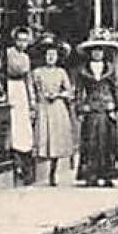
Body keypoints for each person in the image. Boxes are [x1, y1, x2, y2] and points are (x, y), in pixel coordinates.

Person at [73, 36, 118, 186]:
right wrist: (80, 108)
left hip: (107, 109)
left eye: (100, 51)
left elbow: (117, 88)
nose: (97, 54)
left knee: (108, 142)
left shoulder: (110, 68)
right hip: (91, 109)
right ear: (90, 53)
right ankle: (91, 176)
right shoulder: (83, 70)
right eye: (94, 51)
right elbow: (79, 91)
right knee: (91, 143)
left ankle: (108, 176)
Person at [31, 39, 76, 186]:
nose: (50, 57)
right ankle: (37, 173)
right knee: (44, 138)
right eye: (48, 54)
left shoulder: (61, 72)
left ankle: (53, 172)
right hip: (43, 107)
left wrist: (58, 95)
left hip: (57, 108)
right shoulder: (37, 72)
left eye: (53, 55)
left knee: (56, 140)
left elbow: (69, 91)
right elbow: (31, 90)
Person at [4, 26, 36, 183]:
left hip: (21, 90)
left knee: (23, 126)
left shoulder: (26, 58)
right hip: (10, 88)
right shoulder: (8, 54)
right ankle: (15, 160)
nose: (22, 43)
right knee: (13, 124)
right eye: (19, 40)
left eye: (25, 40)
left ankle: (25, 164)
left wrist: (32, 102)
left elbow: (28, 79)